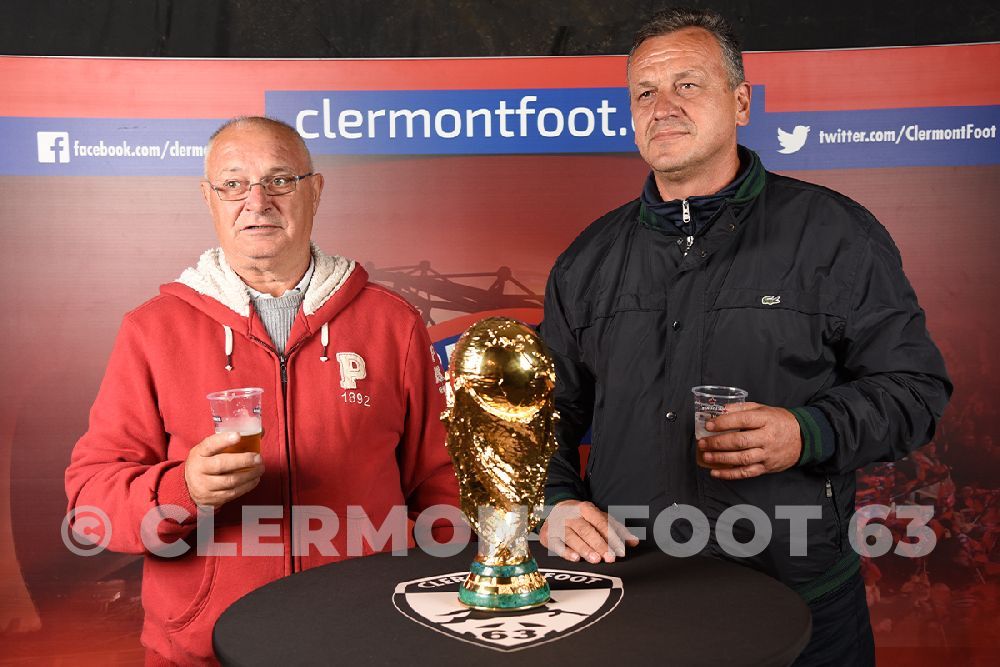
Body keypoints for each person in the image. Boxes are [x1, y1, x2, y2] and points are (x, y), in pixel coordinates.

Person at [538, 8, 951, 665]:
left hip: (800, 602)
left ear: (741, 101)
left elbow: (916, 390)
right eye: (644, 91)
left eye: (687, 85)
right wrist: (553, 500)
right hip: (635, 600)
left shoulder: (833, 234)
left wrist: (807, 430)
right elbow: (542, 411)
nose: (662, 106)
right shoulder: (588, 260)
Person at [65, 116, 458, 665]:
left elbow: (444, 481)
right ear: (209, 198)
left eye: (280, 180)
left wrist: (416, 591)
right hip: (206, 648)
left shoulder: (394, 324)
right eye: (233, 184)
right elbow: (91, 501)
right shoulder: (152, 331)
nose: (257, 201)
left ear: (315, 191)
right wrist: (185, 491)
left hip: (365, 639)